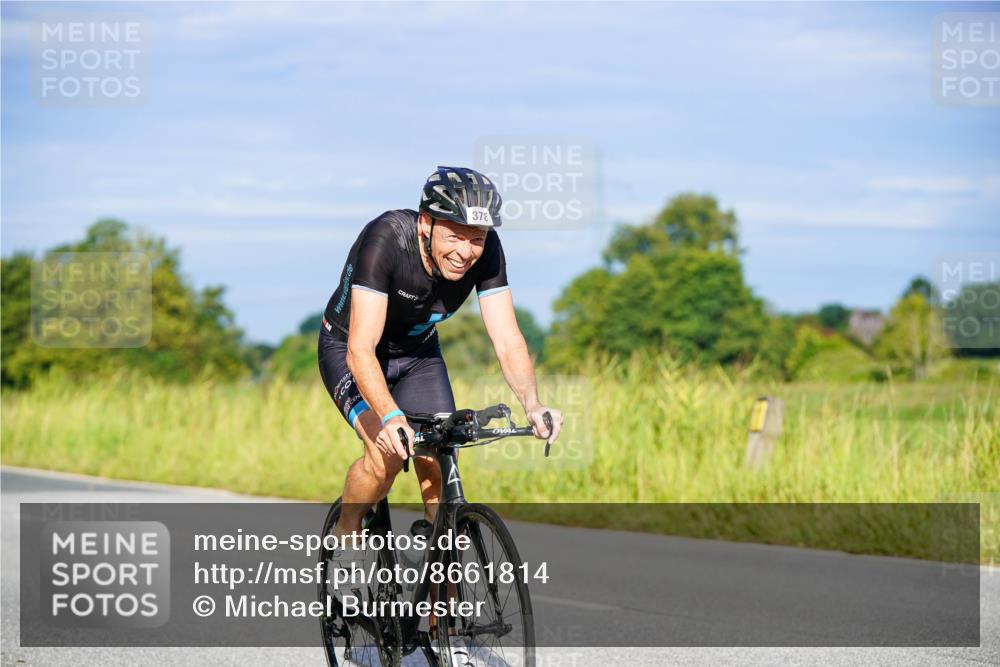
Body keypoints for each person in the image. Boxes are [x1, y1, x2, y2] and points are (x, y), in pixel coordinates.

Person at [317, 166, 563, 664]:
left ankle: (442, 626)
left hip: (419, 355)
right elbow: (362, 348)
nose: (466, 251)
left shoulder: (486, 252)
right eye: (455, 235)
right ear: (427, 223)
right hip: (352, 349)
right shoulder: (387, 238)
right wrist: (389, 417)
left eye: (476, 238)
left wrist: (532, 404)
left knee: (440, 472)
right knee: (385, 456)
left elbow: (507, 336)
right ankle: (344, 538)